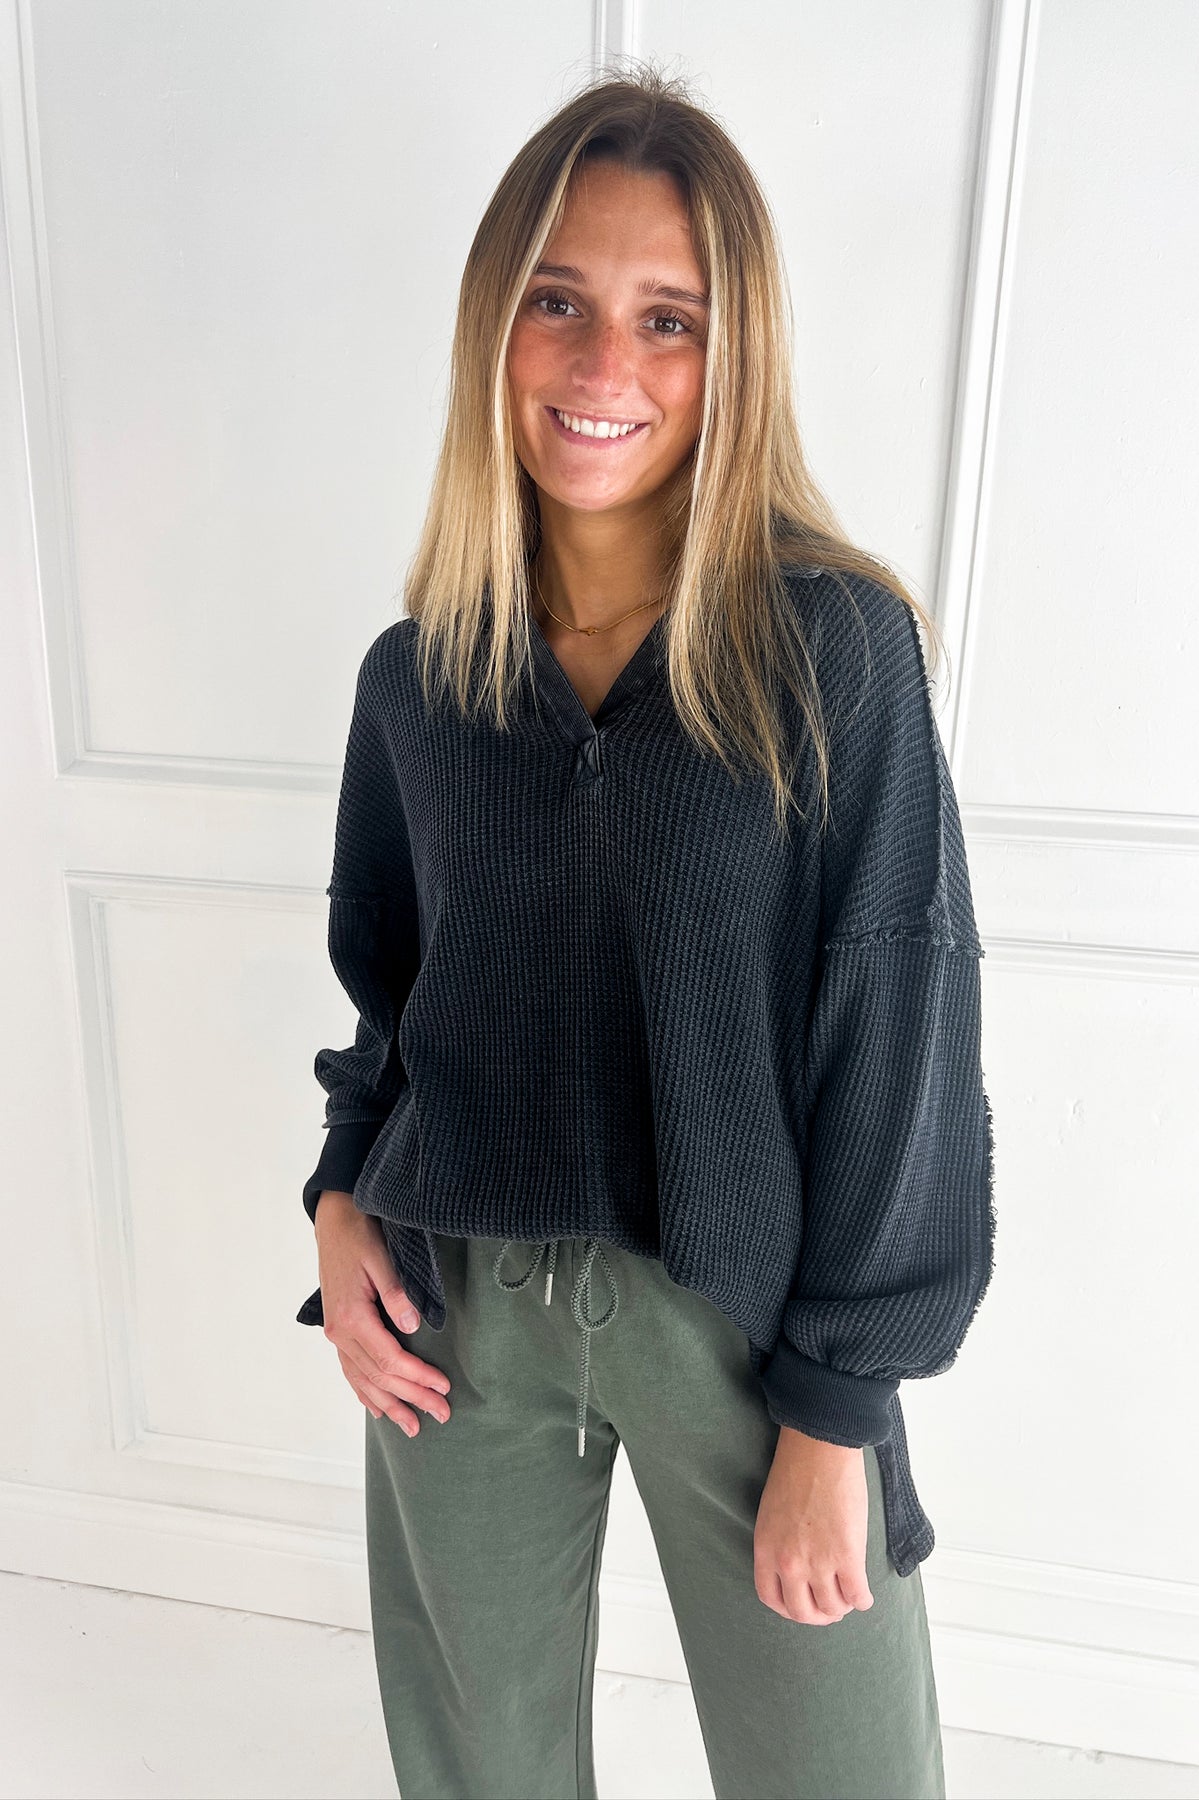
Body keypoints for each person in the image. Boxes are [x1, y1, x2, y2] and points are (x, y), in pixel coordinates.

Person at [295, 62, 996, 1800]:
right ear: (496, 326)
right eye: (559, 302)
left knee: (845, 1773)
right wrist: (337, 1198)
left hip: (739, 1325)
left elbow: (898, 1040)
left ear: (731, 355)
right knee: (482, 1771)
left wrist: (836, 1410)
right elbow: (392, 990)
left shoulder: (833, 655)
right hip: (457, 1315)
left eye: (668, 319)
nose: (606, 364)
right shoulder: (420, 678)